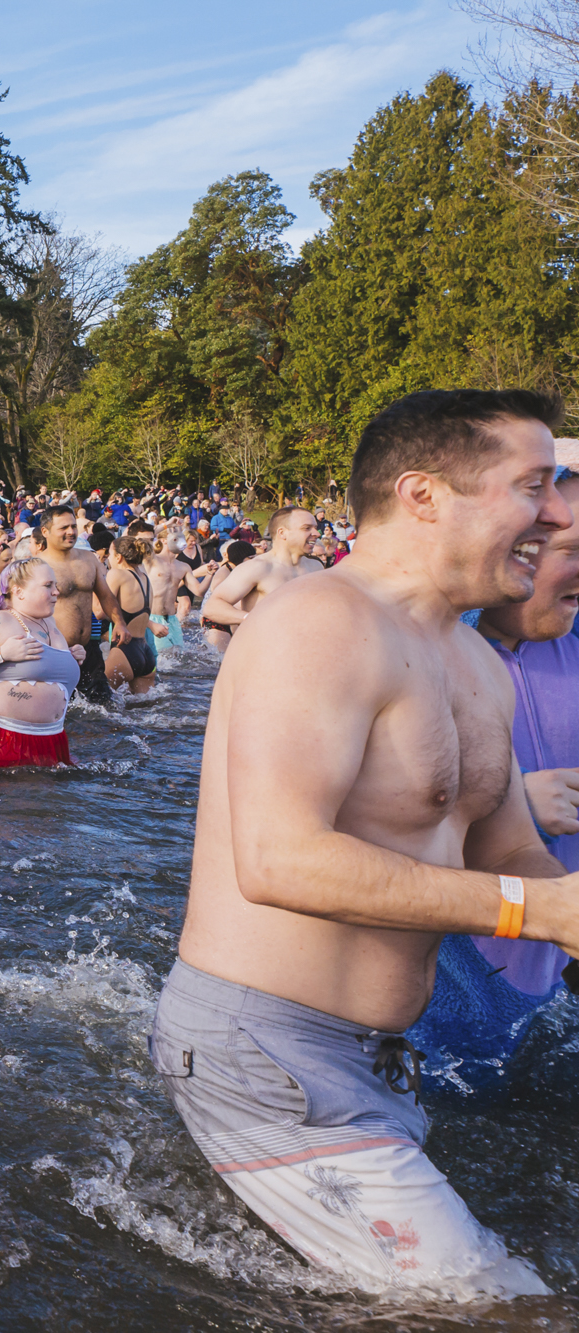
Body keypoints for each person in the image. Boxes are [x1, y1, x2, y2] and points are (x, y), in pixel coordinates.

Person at [151, 389, 577, 1297]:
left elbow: (512, 854)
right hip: (263, 1050)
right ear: (425, 495)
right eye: (534, 485)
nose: (557, 512)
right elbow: (280, 858)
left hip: (378, 1052)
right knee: (506, 1311)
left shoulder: (473, 664)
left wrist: (561, 904)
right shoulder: (320, 623)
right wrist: (531, 909)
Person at [405, 456, 579, 1092]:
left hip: (549, 985)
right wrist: (513, 803)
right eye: (570, 549)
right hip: (433, 997)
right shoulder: (422, 657)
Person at [0, 558, 84, 766]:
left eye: (56, 586)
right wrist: (1, 654)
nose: (56, 592)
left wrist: (71, 657)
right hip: (0, 737)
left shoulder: (49, 623)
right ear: (19, 591)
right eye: (48, 586)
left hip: (51, 740)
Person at [198, 506, 322, 639]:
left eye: (315, 527)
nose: (317, 533)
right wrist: (250, 618)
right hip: (266, 650)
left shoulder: (316, 567)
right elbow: (212, 607)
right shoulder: (257, 568)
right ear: (282, 533)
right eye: (307, 528)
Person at [33, 505, 114, 704]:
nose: (71, 532)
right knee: (57, 709)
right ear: (45, 532)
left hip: (89, 647)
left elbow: (106, 595)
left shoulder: (88, 559)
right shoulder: (35, 566)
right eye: (63, 528)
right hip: (53, 651)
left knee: (104, 709)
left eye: (73, 526)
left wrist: (119, 623)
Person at [101, 535, 157, 693]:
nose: (108, 559)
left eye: (110, 554)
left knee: (97, 699)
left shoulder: (116, 574)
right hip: (146, 654)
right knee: (142, 709)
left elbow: (99, 612)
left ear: (118, 557)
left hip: (124, 650)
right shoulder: (145, 578)